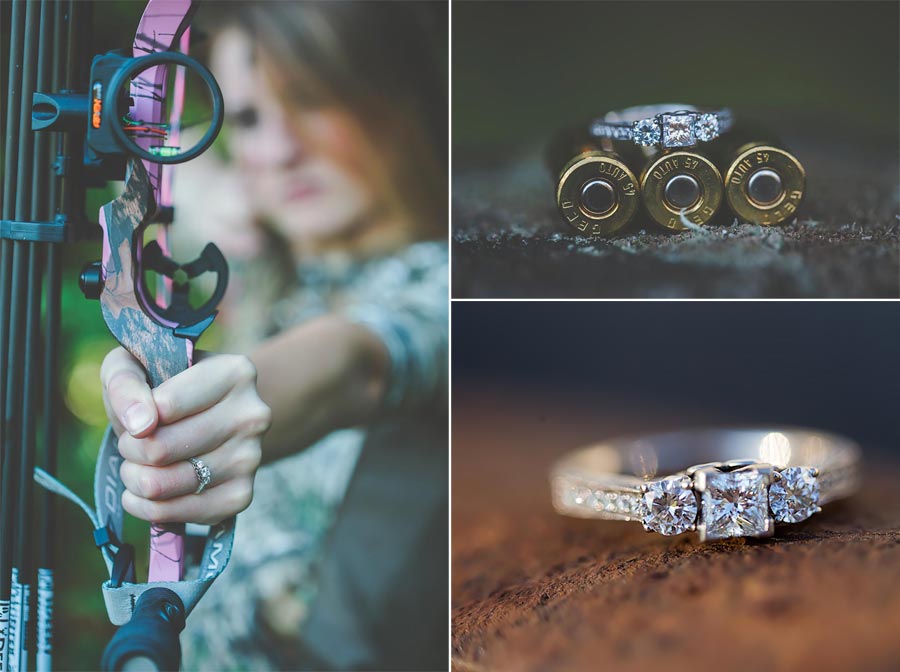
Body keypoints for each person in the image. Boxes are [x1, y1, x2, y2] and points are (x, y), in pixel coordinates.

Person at [100, 2, 448, 669]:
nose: (280, 151)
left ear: (395, 94)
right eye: (251, 120)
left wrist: (219, 406)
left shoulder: (445, 287)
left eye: (313, 101)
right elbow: (127, 166)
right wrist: (190, 181)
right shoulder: (266, 266)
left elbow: (358, 362)